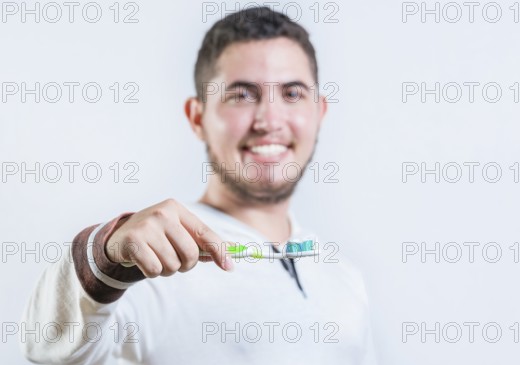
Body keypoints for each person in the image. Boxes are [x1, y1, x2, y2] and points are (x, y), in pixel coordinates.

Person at [21, 7, 376, 364]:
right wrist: (105, 256)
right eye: (242, 94)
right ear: (197, 117)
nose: (270, 120)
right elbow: (49, 350)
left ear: (320, 112)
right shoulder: (151, 267)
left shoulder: (343, 276)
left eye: (293, 93)